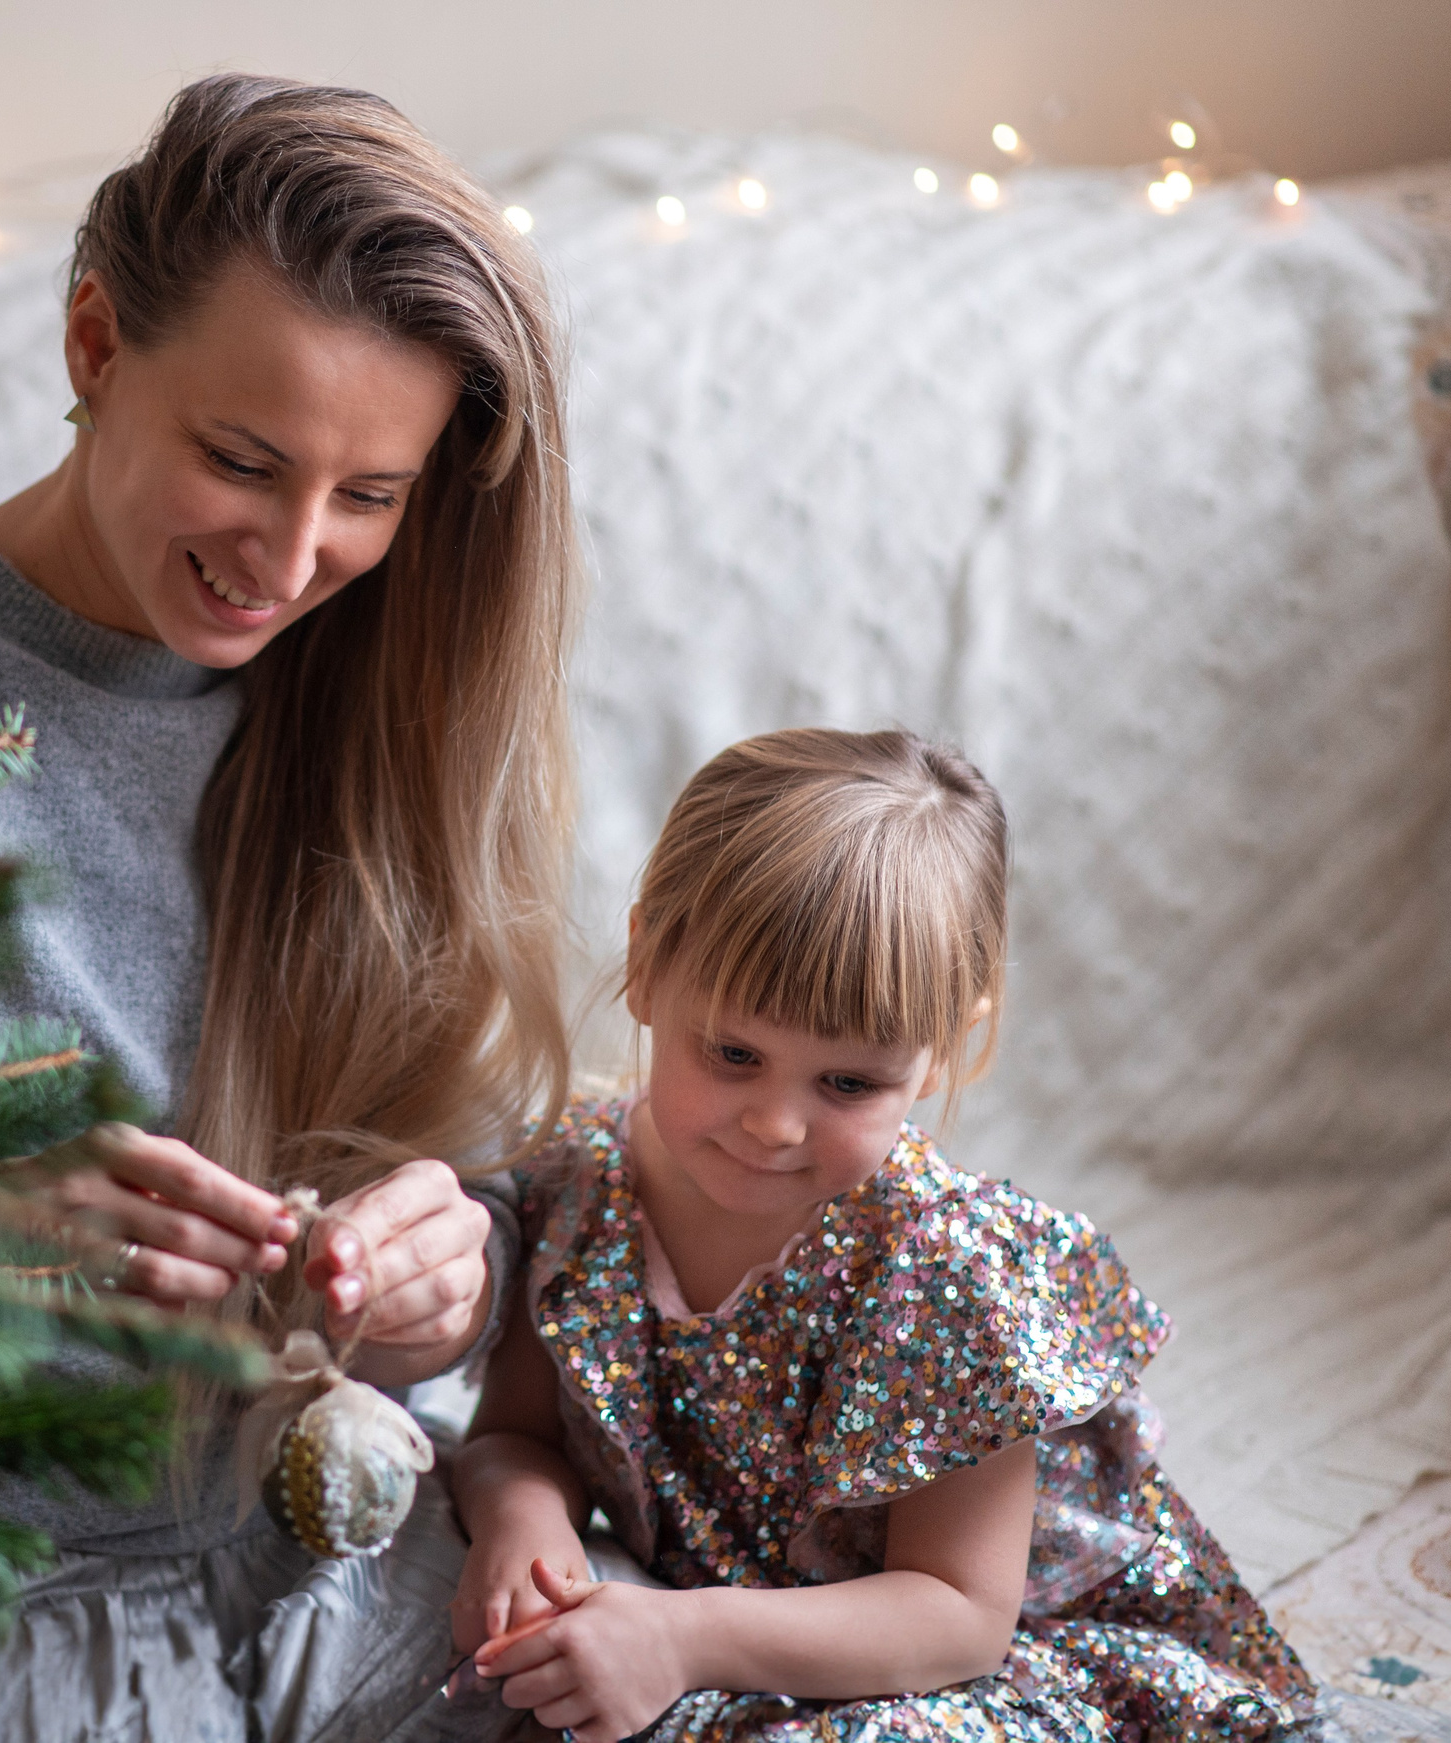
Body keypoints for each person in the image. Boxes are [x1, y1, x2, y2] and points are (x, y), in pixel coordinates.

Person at [0, 74, 580, 1742]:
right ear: (96, 348)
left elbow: (479, 1192)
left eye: (372, 496)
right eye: (245, 460)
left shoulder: (382, 699)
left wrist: (447, 1273)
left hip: (322, 1547)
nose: (293, 555)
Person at [450, 728, 1317, 1742]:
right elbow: (512, 1432)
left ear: (943, 1049)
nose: (774, 1123)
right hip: (704, 1625)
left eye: (848, 1084)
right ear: (646, 965)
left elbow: (959, 1616)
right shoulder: (578, 1185)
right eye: (732, 1052)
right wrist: (524, 1520)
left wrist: (684, 1639)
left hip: (943, 1656)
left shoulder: (942, 1269)